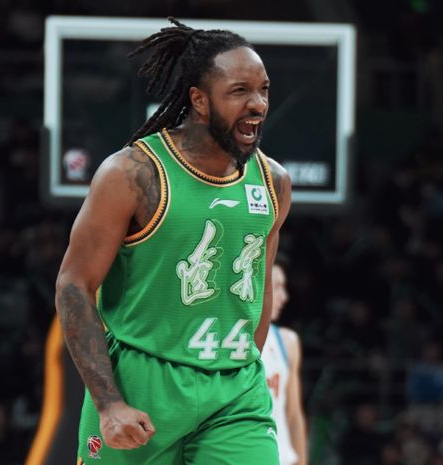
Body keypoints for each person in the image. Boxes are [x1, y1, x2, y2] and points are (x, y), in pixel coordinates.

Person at [55, 17, 291, 465]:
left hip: (235, 393)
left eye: (263, 90)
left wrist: (242, 367)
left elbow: (259, 290)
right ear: (199, 100)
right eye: (239, 91)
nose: (258, 104)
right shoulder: (132, 174)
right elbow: (73, 285)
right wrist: (108, 403)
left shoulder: (273, 181)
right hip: (142, 384)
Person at [261, 257, 308, 465]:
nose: (285, 297)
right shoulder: (231, 342)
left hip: (282, 458)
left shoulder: (288, 342)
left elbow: (294, 415)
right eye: (278, 287)